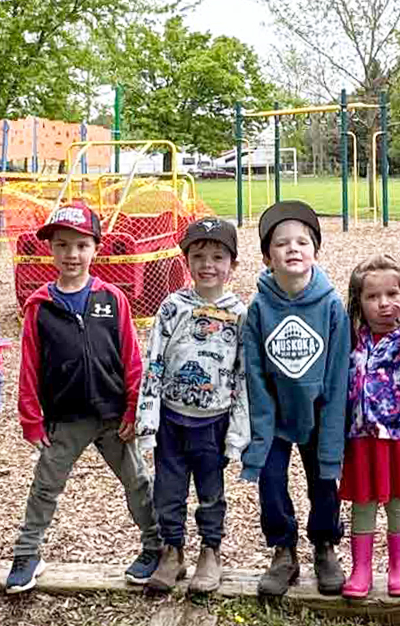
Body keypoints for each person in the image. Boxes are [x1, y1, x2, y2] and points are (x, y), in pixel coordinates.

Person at [5, 201, 161, 594]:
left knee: (137, 482)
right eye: (61, 245)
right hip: (66, 416)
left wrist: (133, 409)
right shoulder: (39, 306)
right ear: (50, 249)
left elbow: (131, 358)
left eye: (81, 245)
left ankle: (154, 547)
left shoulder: (112, 299)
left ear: (96, 248)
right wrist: (31, 419)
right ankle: (27, 553)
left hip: (113, 415)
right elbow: (29, 366)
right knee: (45, 485)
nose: (71, 254)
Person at [240, 200, 350, 598]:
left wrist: (334, 428)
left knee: (324, 481)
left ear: (315, 251)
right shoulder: (258, 308)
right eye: (281, 243)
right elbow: (254, 371)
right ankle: (283, 550)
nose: (292, 249)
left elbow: (338, 374)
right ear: (267, 256)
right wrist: (262, 423)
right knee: (271, 481)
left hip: (318, 411)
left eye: (302, 242)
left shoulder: (331, 305)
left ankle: (325, 545)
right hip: (274, 413)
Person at [136, 217, 250, 595]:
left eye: (218, 257)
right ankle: (172, 551)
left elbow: (243, 375)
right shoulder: (173, 307)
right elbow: (153, 362)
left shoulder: (240, 314)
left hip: (213, 421)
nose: (207, 265)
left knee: (211, 491)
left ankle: (210, 551)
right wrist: (147, 420)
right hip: (172, 418)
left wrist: (238, 432)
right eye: (198, 256)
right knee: (168, 490)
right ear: (186, 260)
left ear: (232, 265)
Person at [338, 255, 400, 599]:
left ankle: (399, 567)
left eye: (391, 294)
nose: (383, 304)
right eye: (372, 296)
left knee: (398, 501)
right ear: (359, 302)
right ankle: (361, 568)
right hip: (360, 437)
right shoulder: (353, 341)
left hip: (398, 436)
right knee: (363, 502)